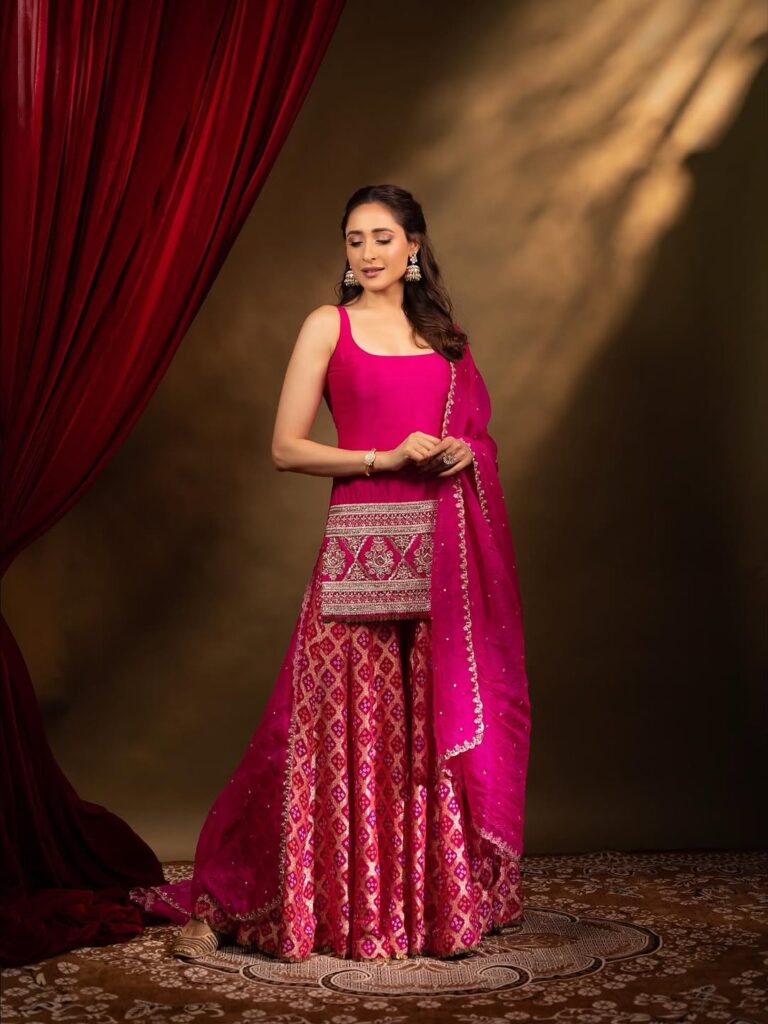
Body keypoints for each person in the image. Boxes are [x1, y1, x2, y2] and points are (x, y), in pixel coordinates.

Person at [129, 184, 532, 962]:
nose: (368, 252)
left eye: (383, 237)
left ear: (413, 247)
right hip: (360, 554)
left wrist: (463, 452)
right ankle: (345, 905)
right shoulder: (329, 325)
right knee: (345, 733)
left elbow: (478, 437)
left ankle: (426, 907)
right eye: (355, 240)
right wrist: (384, 456)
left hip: (441, 563)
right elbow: (286, 446)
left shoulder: (448, 342)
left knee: (426, 737)